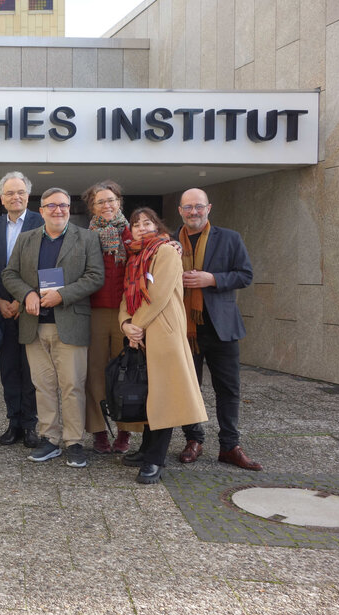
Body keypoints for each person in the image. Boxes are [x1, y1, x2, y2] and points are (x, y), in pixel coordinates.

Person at [2, 187, 104, 468]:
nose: (58, 210)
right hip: (34, 325)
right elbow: (9, 274)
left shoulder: (86, 238)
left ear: (69, 208)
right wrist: (27, 294)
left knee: (72, 385)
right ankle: (50, 438)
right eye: (51, 206)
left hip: (70, 322)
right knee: (43, 385)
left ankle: (73, 441)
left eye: (63, 205)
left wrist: (63, 294)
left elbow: (96, 276)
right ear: (42, 210)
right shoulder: (26, 240)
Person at [119, 207, 208, 483]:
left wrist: (137, 327)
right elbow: (127, 297)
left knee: (165, 398)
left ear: (157, 226)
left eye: (147, 223)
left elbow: (157, 295)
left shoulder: (167, 252)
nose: (142, 228)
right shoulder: (134, 257)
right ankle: (146, 448)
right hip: (141, 334)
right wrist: (125, 324)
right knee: (149, 394)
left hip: (164, 335)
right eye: (136, 224)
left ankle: (155, 460)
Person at [176, 188, 261, 470]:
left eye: (198, 207)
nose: (193, 212)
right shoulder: (169, 243)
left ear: (208, 208)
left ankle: (230, 446)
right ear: (180, 211)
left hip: (222, 327)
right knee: (189, 388)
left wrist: (211, 278)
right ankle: (194, 440)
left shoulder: (229, 238)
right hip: (184, 328)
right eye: (188, 207)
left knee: (228, 389)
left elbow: (245, 275)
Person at [0, 172, 44, 447]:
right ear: (1, 198)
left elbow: (45, 266)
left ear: (28, 196)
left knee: (31, 369)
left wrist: (21, 300)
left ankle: (31, 425)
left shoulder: (41, 223)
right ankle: (13, 422)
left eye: (20, 192)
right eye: (9, 193)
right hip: (3, 308)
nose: (15, 197)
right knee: (8, 369)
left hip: (30, 307)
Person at [82, 180, 135, 454]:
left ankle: (125, 431)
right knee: (95, 375)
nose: (107, 205)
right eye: (100, 201)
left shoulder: (133, 234)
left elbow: (157, 249)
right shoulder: (85, 237)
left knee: (126, 376)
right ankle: (99, 431)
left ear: (119, 202)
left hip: (127, 315)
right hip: (95, 313)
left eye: (111, 200)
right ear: (92, 206)